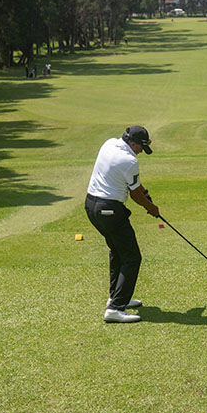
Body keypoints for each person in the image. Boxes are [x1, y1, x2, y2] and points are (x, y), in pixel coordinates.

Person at [85, 126, 159, 323]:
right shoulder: (129, 161)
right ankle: (116, 309)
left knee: (118, 251)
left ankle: (117, 297)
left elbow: (136, 186)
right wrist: (151, 208)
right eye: (140, 147)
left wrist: (145, 194)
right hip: (110, 210)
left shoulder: (109, 143)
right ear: (132, 144)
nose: (141, 151)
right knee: (132, 257)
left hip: (92, 205)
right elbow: (135, 195)